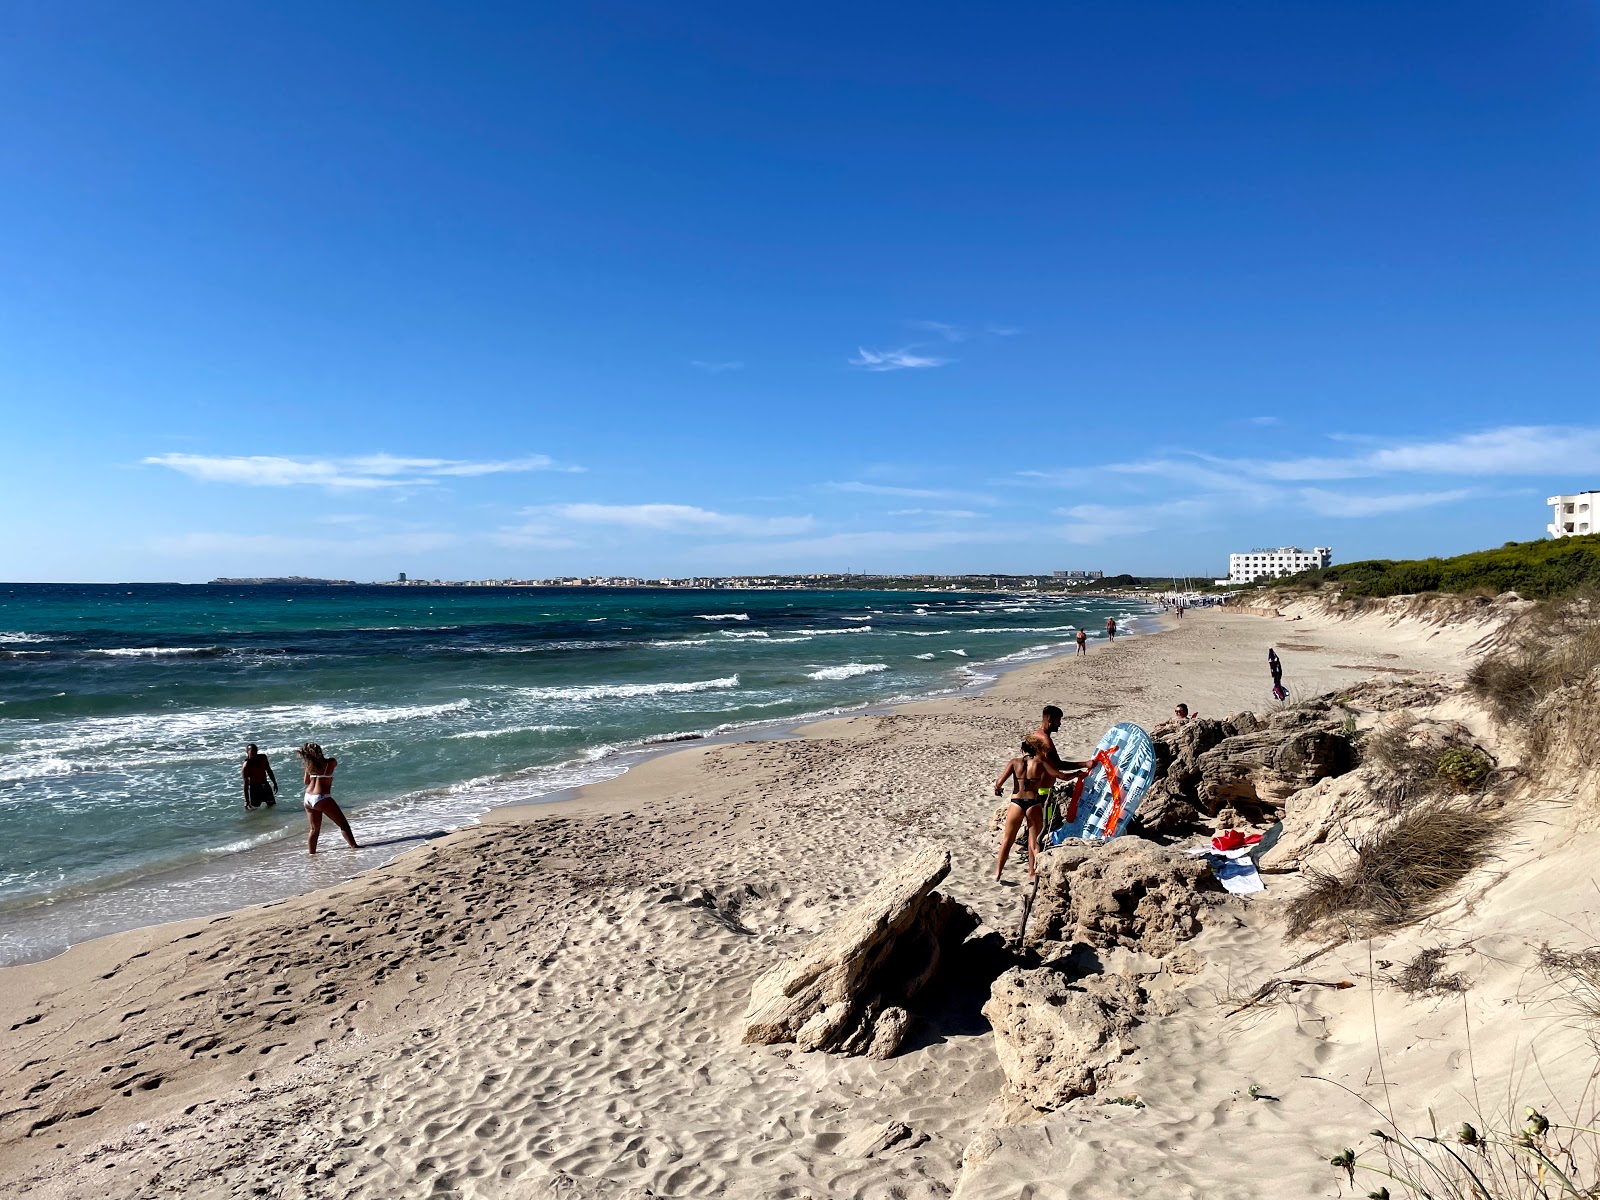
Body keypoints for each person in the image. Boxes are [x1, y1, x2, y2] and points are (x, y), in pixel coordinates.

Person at [992, 740, 1070, 882]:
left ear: (1022, 749)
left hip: (1017, 803)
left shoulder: (1014, 762)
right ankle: (1034, 873)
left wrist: (998, 788)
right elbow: (1060, 775)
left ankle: (998, 873)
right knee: (1034, 843)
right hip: (1033, 803)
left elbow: (1000, 781)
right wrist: (1078, 774)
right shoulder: (1040, 762)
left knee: (1007, 840)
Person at [298, 742, 359, 854]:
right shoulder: (330, 762)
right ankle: (354, 847)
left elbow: (306, 782)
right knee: (343, 825)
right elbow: (334, 764)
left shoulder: (309, 765)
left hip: (308, 798)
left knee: (314, 830)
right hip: (321, 797)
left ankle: (312, 855)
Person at [241, 744, 278, 809]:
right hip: (254, 788)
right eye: (252, 751)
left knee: (272, 806)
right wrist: (246, 800)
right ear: (247, 752)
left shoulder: (263, 758)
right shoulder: (246, 765)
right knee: (254, 809)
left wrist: (274, 782)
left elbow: (269, 771)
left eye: (255, 751)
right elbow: (245, 784)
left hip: (265, 785)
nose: (254, 753)